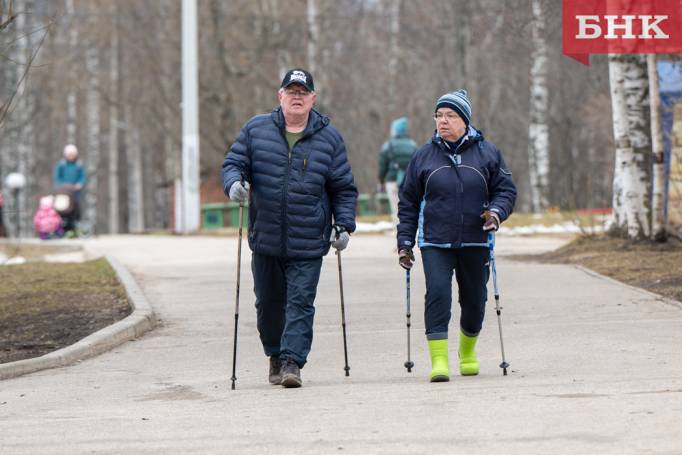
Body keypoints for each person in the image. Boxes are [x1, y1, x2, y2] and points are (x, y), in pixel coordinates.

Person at [221, 68, 358, 388]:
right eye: (291, 91)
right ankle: (275, 355)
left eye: (303, 92)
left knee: (299, 302)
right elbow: (233, 164)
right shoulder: (256, 130)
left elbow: (343, 188)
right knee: (268, 304)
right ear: (279, 96)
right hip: (266, 235)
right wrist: (234, 185)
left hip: (309, 238)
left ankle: (292, 362)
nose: (296, 97)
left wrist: (344, 225)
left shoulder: (329, 137)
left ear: (313, 99)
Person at [397, 89, 516, 382]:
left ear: (465, 120)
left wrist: (496, 212)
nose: (443, 121)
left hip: (477, 238)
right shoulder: (423, 155)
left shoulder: (487, 153)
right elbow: (408, 202)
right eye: (439, 115)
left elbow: (506, 190)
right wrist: (405, 243)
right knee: (437, 294)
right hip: (435, 239)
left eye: (450, 115)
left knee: (475, 299)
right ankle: (439, 361)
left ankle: (468, 351)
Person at [378, 117, 417, 229]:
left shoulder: (388, 145)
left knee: (395, 206)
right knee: (408, 206)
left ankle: (398, 230)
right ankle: (409, 230)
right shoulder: (412, 144)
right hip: (409, 182)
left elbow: (382, 165)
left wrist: (381, 180)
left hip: (392, 181)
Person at [53, 144, 86, 234]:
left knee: (75, 209)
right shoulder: (61, 165)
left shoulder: (79, 165)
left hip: (75, 193)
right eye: (69, 154)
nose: (71, 156)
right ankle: (60, 227)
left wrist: (79, 184)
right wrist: (63, 185)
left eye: (73, 154)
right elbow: (57, 177)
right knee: (62, 208)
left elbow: (82, 177)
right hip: (63, 192)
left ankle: (74, 226)